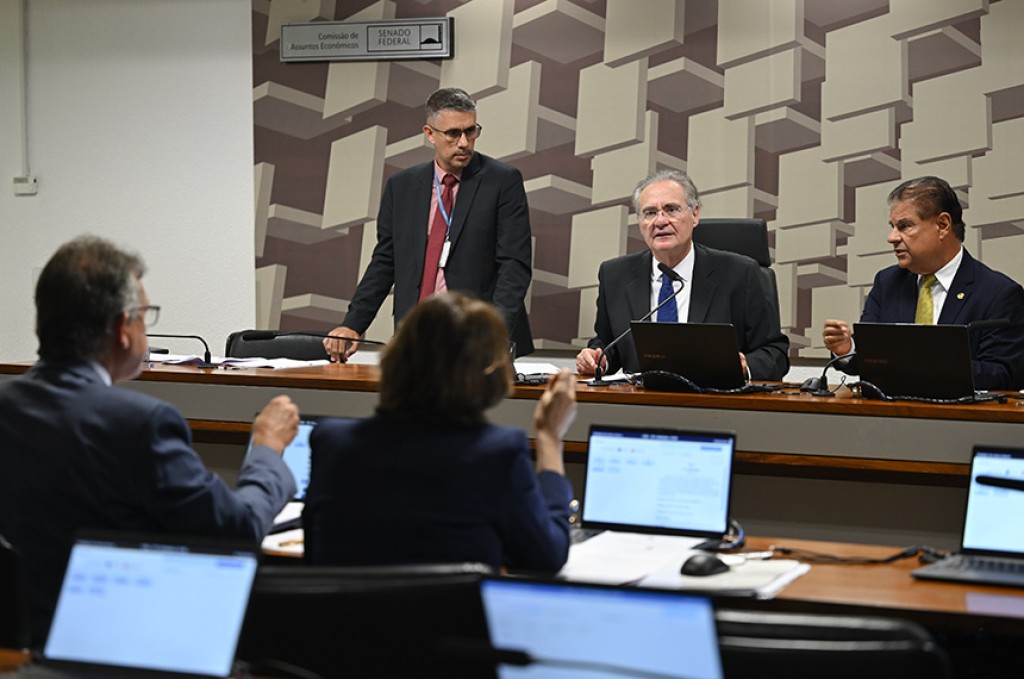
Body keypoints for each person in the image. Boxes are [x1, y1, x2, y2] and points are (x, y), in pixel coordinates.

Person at [0, 236, 299, 645]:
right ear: (123, 328)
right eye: (145, 315)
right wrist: (267, 450)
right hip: (133, 641)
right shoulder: (139, 423)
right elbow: (237, 530)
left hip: (29, 638)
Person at [304, 292, 575, 572]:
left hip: (350, 602)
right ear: (489, 374)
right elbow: (547, 556)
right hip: (452, 603)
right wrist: (549, 438)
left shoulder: (332, 442)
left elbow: (315, 552)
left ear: (395, 359)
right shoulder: (498, 452)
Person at [323, 87, 534, 360]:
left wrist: (494, 332)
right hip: (416, 336)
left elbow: (514, 265)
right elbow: (385, 260)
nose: (464, 143)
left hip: (477, 340)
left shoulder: (502, 181)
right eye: (453, 133)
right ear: (430, 133)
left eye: (470, 131)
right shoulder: (401, 186)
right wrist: (353, 324)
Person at [576, 169, 789, 380]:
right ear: (640, 223)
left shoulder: (741, 273)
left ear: (695, 214)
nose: (660, 221)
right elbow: (608, 344)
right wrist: (597, 358)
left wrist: (743, 366)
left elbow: (775, 354)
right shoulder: (615, 275)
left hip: (715, 398)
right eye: (650, 213)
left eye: (671, 209)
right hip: (641, 398)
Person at [822, 176, 1024, 390]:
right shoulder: (887, 282)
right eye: (892, 227)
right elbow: (869, 360)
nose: (892, 237)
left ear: (942, 225)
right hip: (889, 411)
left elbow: (1005, 374)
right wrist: (847, 349)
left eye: (904, 226)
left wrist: (925, 365)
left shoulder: (999, 294)